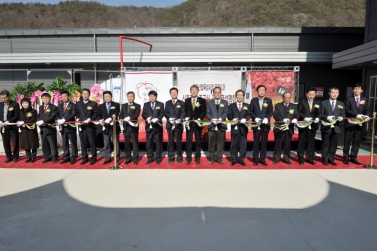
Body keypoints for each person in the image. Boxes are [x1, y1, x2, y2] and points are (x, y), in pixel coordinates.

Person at [343, 83, 370, 165]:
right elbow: (346, 110)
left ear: (361, 90)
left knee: (356, 141)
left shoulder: (365, 99)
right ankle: (346, 157)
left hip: (359, 124)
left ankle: (353, 157)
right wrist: (356, 115)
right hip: (350, 123)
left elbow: (367, 109)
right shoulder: (348, 99)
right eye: (355, 89)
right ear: (353, 90)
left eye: (358, 89)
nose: (356, 90)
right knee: (347, 141)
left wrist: (367, 115)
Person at [320, 87, 345, 166]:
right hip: (326, 126)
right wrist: (327, 117)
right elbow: (320, 114)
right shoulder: (323, 103)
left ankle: (331, 158)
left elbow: (343, 114)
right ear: (329, 93)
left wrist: (342, 117)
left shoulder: (341, 104)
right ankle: (325, 158)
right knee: (325, 143)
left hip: (336, 127)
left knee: (333, 144)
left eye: (336, 93)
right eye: (333, 92)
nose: (335, 94)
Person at [272, 91, 299, 165]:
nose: (287, 99)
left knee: (287, 144)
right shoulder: (278, 105)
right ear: (283, 97)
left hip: (289, 128)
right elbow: (275, 115)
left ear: (290, 98)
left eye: (289, 98)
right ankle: (276, 158)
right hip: (279, 127)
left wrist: (295, 119)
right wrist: (282, 119)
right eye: (285, 97)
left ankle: (286, 158)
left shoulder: (294, 106)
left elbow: (297, 114)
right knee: (278, 143)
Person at [297, 86, 321, 165]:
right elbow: (298, 112)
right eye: (309, 94)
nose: (311, 96)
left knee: (311, 142)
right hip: (303, 125)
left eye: (313, 94)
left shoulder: (317, 102)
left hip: (313, 125)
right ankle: (300, 158)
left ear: (315, 94)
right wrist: (304, 118)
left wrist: (317, 118)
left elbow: (319, 113)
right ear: (306, 94)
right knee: (302, 142)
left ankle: (310, 158)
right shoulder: (302, 101)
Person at [249, 85, 273, 166]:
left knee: (264, 143)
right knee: (256, 142)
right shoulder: (253, 101)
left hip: (265, 125)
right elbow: (250, 111)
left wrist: (267, 118)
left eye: (263, 90)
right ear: (257, 91)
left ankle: (263, 158)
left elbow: (270, 111)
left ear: (265, 91)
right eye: (260, 90)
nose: (262, 91)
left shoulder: (269, 101)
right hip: (256, 124)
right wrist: (255, 118)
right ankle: (255, 158)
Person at [184, 85, 206, 165]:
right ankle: (188, 158)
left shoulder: (202, 100)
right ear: (190, 91)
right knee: (188, 142)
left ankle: (197, 158)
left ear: (198, 91)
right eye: (192, 90)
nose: (194, 91)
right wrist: (185, 117)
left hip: (198, 124)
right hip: (189, 124)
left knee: (198, 142)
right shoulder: (186, 100)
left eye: (195, 90)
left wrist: (200, 118)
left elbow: (204, 111)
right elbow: (184, 111)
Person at [227, 89, 250, 166]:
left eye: (241, 95)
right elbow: (229, 115)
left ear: (243, 96)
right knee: (234, 144)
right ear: (236, 96)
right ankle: (234, 159)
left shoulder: (247, 106)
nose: (240, 96)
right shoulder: (231, 106)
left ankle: (241, 159)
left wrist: (245, 119)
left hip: (243, 128)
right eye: (238, 95)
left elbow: (249, 114)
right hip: (235, 128)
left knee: (243, 145)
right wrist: (232, 119)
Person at [206, 87, 229, 165]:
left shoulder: (225, 102)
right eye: (215, 92)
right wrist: (212, 119)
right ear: (213, 94)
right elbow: (207, 113)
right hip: (212, 125)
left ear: (221, 93)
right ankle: (212, 158)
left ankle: (219, 158)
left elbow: (226, 112)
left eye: (219, 92)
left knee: (221, 143)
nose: (217, 93)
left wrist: (221, 118)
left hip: (221, 125)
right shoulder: (209, 103)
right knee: (211, 143)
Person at [97, 91, 120, 166]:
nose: (107, 98)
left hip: (114, 127)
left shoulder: (116, 104)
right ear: (103, 97)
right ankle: (107, 158)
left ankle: (117, 159)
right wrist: (100, 120)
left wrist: (110, 119)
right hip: (105, 127)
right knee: (106, 144)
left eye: (108, 96)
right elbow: (99, 115)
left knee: (115, 143)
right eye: (105, 97)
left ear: (111, 97)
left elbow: (116, 113)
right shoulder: (101, 106)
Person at [142, 90, 165, 165]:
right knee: (149, 144)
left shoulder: (160, 104)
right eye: (150, 96)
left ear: (156, 97)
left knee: (158, 144)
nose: (152, 98)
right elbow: (143, 114)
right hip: (149, 127)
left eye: (153, 96)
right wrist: (147, 118)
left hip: (157, 127)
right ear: (149, 97)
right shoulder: (146, 104)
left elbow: (162, 113)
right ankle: (150, 158)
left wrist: (157, 119)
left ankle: (158, 159)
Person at [76, 88, 98, 165]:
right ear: (82, 95)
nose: (85, 95)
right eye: (84, 94)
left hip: (90, 126)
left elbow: (96, 114)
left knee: (92, 143)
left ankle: (94, 158)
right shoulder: (78, 104)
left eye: (86, 94)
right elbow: (77, 113)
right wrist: (78, 118)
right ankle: (84, 158)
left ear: (89, 95)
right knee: (83, 143)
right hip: (82, 126)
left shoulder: (93, 104)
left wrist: (90, 118)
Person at [165, 87, 186, 164]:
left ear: (177, 93)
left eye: (175, 92)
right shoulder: (167, 103)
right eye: (172, 92)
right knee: (170, 142)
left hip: (178, 126)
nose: (173, 94)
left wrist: (179, 119)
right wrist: (169, 118)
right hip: (170, 126)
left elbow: (183, 112)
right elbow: (166, 112)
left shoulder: (181, 103)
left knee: (178, 142)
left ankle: (179, 157)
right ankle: (171, 157)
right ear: (170, 94)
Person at [120, 91, 141, 165]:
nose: (130, 98)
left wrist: (130, 117)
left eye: (131, 96)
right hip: (126, 127)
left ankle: (135, 158)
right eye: (128, 96)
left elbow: (137, 114)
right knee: (127, 144)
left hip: (133, 127)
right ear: (127, 97)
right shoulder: (124, 105)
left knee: (135, 143)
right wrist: (121, 118)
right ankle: (128, 158)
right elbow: (121, 114)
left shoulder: (137, 105)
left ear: (134, 97)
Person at [57, 90, 78, 165]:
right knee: (65, 143)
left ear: (68, 97)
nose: (64, 98)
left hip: (70, 127)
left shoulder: (73, 105)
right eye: (62, 96)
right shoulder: (60, 105)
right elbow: (57, 114)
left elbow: (73, 114)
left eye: (65, 96)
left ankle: (74, 156)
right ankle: (66, 157)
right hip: (62, 128)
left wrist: (65, 119)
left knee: (73, 143)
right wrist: (58, 119)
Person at [37, 92, 58, 163]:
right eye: (44, 98)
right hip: (42, 129)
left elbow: (52, 117)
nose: (45, 100)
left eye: (47, 98)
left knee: (53, 144)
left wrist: (43, 121)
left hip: (50, 129)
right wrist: (38, 121)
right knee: (44, 144)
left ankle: (54, 157)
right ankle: (47, 157)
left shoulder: (54, 107)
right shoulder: (40, 107)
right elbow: (39, 116)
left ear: (50, 99)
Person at [0, 90, 20, 163]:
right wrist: (1, 121)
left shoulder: (15, 104)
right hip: (3, 127)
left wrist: (9, 121)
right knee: (5, 142)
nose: (3, 99)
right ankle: (8, 156)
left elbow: (16, 115)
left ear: (8, 96)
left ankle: (15, 156)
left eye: (5, 98)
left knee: (15, 142)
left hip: (12, 126)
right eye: (2, 98)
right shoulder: (0, 105)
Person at [17, 97, 38, 163]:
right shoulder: (20, 111)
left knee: (33, 143)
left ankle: (33, 157)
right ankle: (28, 157)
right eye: (23, 103)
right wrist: (18, 122)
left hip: (31, 129)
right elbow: (17, 119)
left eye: (26, 103)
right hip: (23, 130)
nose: (25, 104)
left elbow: (33, 119)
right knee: (26, 143)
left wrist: (24, 122)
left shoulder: (33, 111)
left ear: (29, 103)